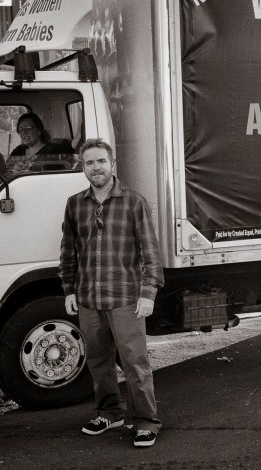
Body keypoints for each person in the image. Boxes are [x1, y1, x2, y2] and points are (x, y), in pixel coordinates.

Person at [59, 138, 164, 448]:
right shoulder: (75, 204)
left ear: (112, 164)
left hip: (126, 298)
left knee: (135, 361)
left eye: (101, 161)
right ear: (83, 168)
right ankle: (109, 413)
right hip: (89, 298)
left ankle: (145, 421)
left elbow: (151, 252)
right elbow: (68, 251)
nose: (96, 167)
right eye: (89, 162)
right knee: (98, 361)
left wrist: (148, 293)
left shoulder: (134, 202)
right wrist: (68, 289)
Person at [9, 112, 74, 157]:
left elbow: (72, 149)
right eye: (20, 129)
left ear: (39, 130)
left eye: (28, 128)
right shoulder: (18, 151)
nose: (24, 132)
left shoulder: (54, 150)